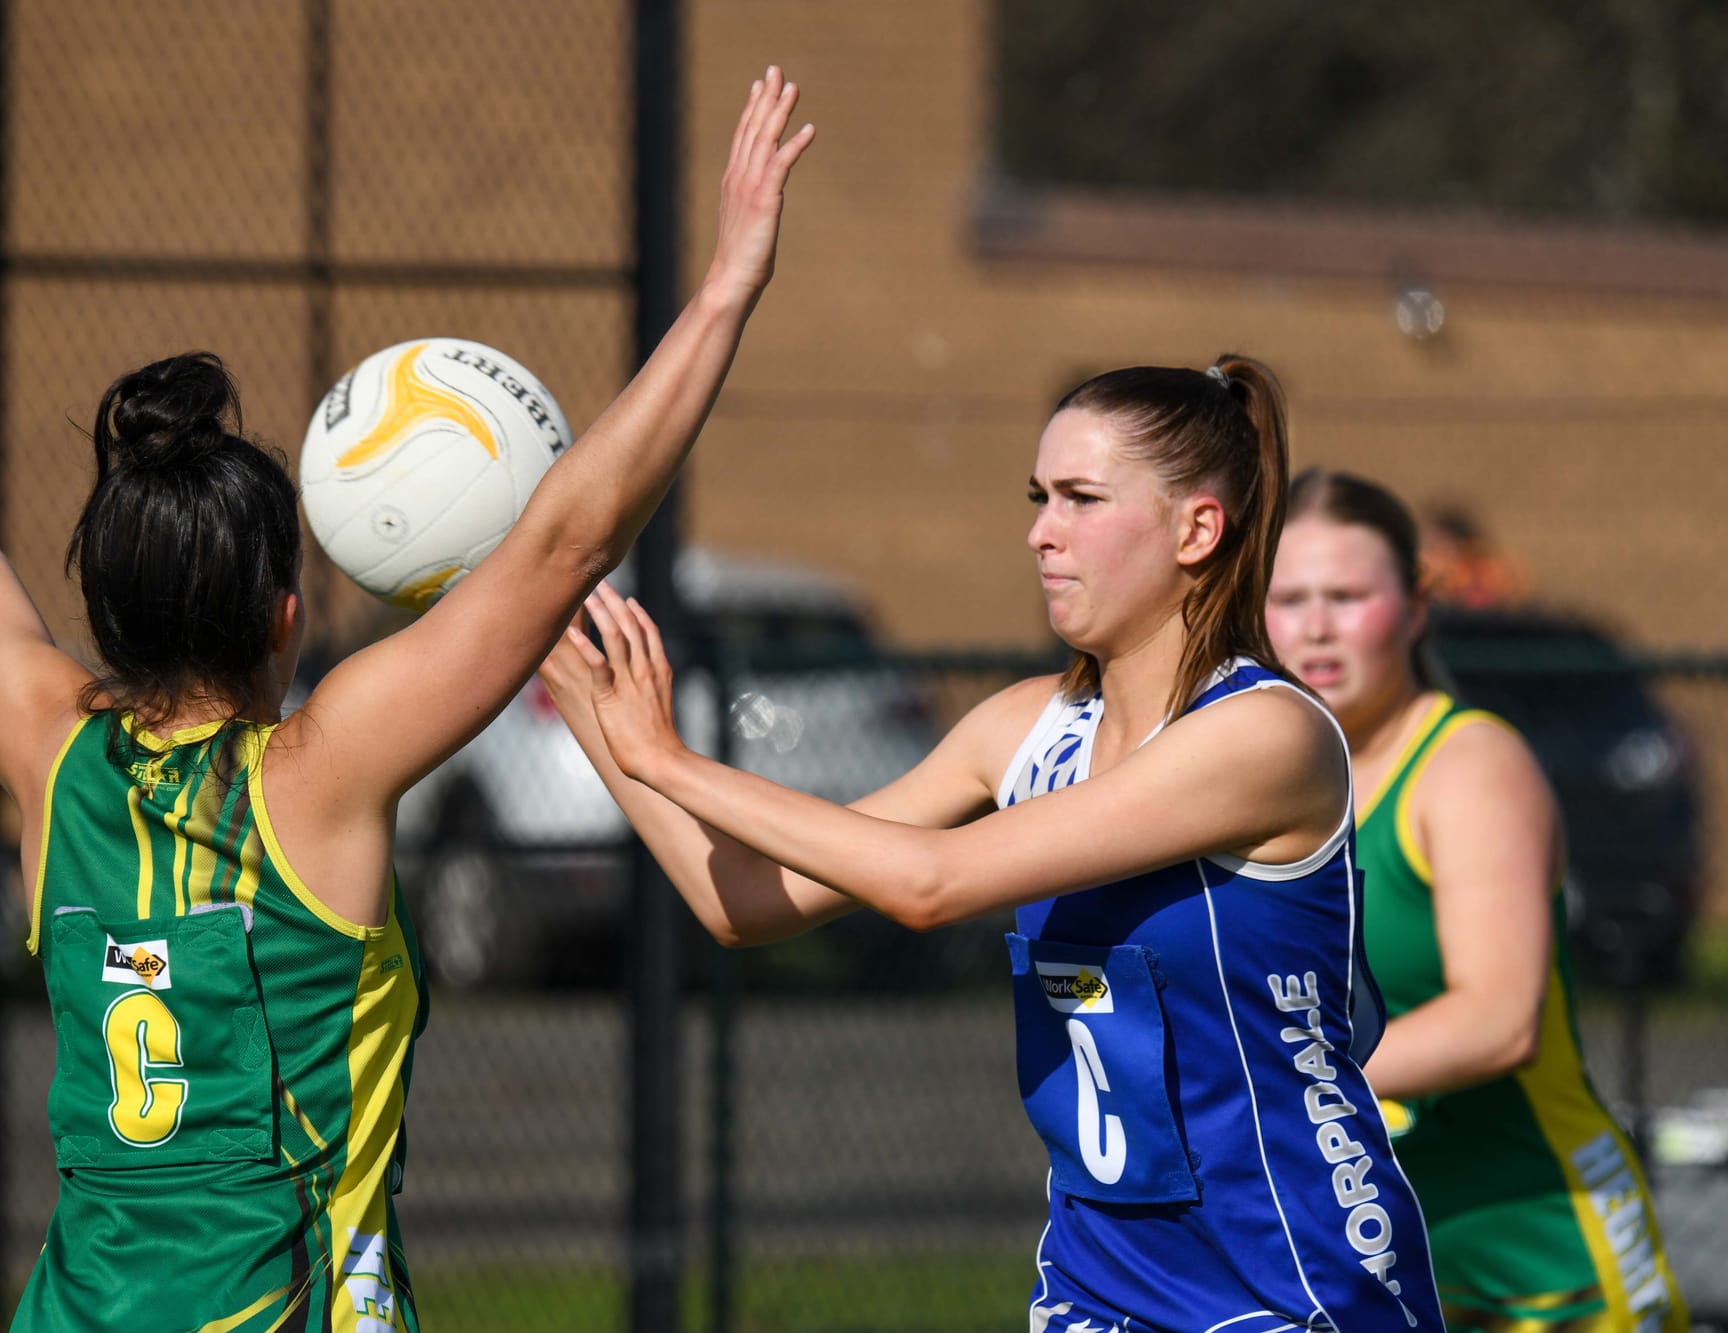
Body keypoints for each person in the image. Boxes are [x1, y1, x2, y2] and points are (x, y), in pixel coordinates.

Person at [0, 69, 812, 1331]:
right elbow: (563, 543)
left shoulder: (47, 753)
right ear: (285, 620)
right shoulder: (314, 772)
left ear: (105, 607)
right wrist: (724, 289)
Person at [542, 357, 1447, 1332]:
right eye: (1036, 497)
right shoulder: (1023, 729)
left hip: (1289, 1287)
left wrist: (670, 759)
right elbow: (742, 902)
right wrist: (556, 644)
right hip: (1098, 1294)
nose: (1038, 531)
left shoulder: (1263, 736)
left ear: (1195, 528)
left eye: (1079, 499)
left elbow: (931, 883)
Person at [1264, 469, 1685, 1333]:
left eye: (1347, 595)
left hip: (1543, 1262)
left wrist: (1272, 1086)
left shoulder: (1468, 764)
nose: (1315, 626)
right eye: (1289, 597)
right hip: (1378, 1266)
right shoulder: (1271, 784)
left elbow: (1499, 1019)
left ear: (1418, 606)